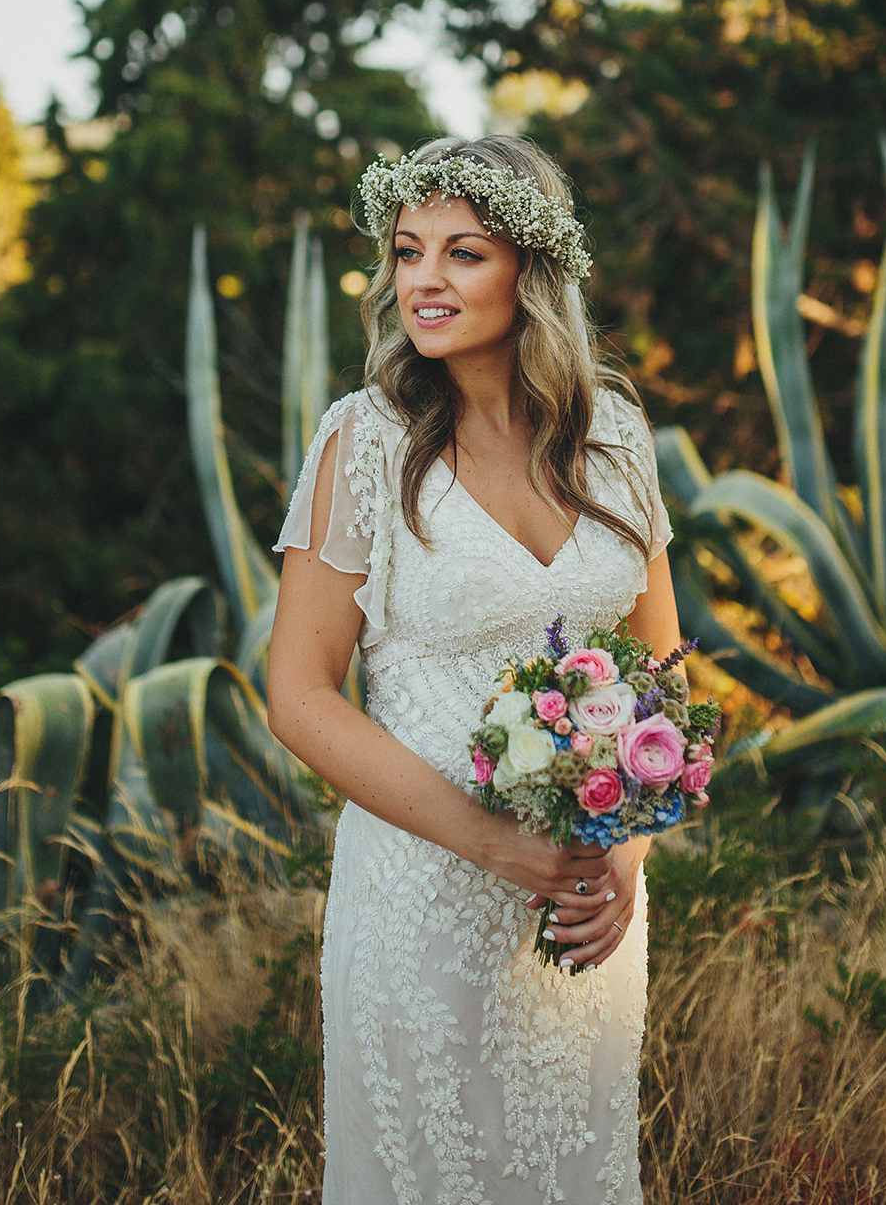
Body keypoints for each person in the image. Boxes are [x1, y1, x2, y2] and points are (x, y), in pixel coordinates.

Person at [267, 135, 681, 1205]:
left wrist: (624, 858)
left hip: (586, 914)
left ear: (531, 271)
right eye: (407, 252)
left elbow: (660, 678)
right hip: (420, 905)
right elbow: (300, 697)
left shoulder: (617, 441)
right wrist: (496, 845)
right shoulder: (363, 442)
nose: (424, 280)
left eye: (462, 252)